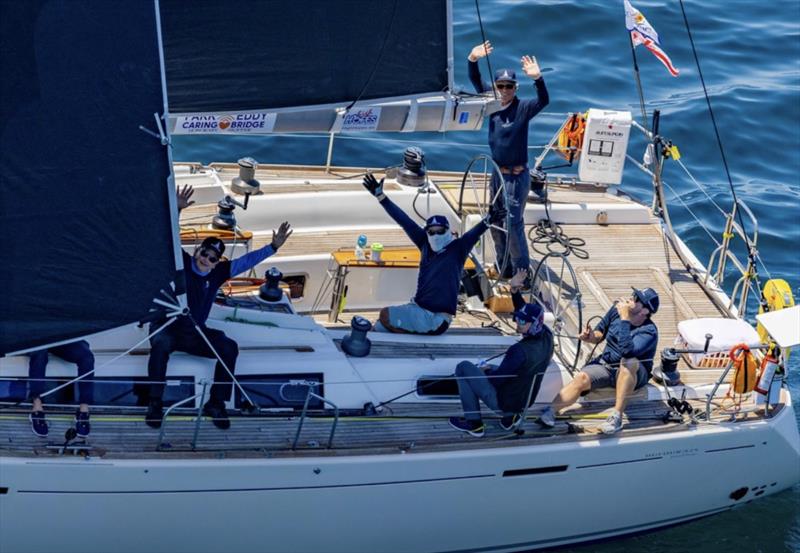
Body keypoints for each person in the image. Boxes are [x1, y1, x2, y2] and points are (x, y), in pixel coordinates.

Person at [144, 185, 293, 430]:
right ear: (197, 251)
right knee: (160, 345)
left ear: (217, 263)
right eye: (204, 253)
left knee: (229, 347)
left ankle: (216, 402)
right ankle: (155, 402)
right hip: (167, 326)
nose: (206, 260)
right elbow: (168, 235)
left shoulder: (219, 272)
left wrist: (273, 247)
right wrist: (178, 209)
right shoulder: (181, 261)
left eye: (213, 258)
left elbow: (247, 261)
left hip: (194, 333)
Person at [362, 172, 504, 334]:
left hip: (437, 319)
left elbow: (475, 232)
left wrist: (489, 220)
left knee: (385, 314)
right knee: (380, 327)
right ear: (426, 232)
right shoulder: (424, 243)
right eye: (431, 232)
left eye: (440, 231)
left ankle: (410, 334)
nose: (435, 235)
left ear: (449, 231)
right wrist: (381, 196)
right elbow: (403, 219)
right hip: (418, 309)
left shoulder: (458, 248)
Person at [467, 40, 549, 280]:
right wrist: (472, 58)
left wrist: (538, 78)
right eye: (500, 85)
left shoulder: (524, 108)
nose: (504, 90)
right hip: (497, 174)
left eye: (509, 86)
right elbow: (474, 79)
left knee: (514, 224)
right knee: (494, 221)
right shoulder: (490, 103)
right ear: (495, 86)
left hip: (517, 176)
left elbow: (544, 101)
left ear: (516, 87)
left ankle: (522, 272)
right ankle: (504, 267)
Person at [538, 288, 660, 435]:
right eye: (634, 295)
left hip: (634, 373)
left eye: (637, 299)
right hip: (607, 365)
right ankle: (551, 411)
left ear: (645, 311)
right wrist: (590, 336)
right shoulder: (616, 310)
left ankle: (616, 416)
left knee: (628, 362)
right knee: (581, 378)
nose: (632, 298)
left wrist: (625, 320)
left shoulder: (649, 331)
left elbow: (627, 351)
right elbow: (600, 332)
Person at [449, 269, 554, 437]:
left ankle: (474, 424)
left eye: (521, 321)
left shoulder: (518, 350)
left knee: (464, 368)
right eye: (516, 318)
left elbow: (497, 381)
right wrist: (514, 290)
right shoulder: (547, 337)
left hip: (504, 403)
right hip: (524, 401)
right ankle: (510, 419)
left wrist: (485, 372)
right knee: (494, 367)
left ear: (533, 324)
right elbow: (525, 312)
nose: (517, 324)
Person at [27, 340, 94, 438]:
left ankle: (83, 410)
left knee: (87, 357)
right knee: (40, 353)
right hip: (32, 337)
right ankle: (37, 406)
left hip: (59, 338)